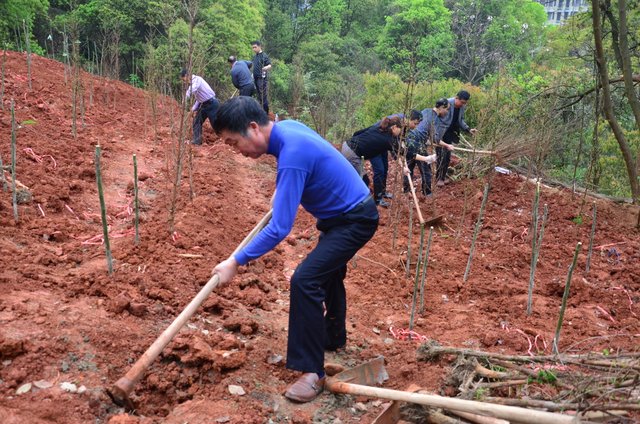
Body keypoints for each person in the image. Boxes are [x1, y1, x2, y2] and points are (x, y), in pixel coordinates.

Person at [211, 97, 379, 403]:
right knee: (328, 274)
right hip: (340, 216)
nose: (238, 151)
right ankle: (333, 337)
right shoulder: (287, 128)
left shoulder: (292, 154)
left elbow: (279, 228)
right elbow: (305, 166)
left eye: (234, 143)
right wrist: (283, 187)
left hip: (354, 220)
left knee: (305, 280)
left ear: (253, 127)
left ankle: (312, 372)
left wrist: (236, 261)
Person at [341, 116, 404, 207]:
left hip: (347, 145)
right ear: (394, 127)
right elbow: (403, 152)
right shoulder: (388, 140)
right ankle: (357, 204)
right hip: (352, 153)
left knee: (362, 178)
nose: (400, 132)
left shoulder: (378, 127)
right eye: (400, 129)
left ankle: (366, 200)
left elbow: (357, 133)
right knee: (363, 181)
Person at [368, 111, 423, 206]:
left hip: (383, 144)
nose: (415, 127)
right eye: (415, 123)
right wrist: (402, 165)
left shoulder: (405, 126)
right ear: (410, 119)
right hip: (373, 143)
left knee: (385, 168)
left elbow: (400, 143)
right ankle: (378, 198)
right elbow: (394, 148)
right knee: (379, 170)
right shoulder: (397, 123)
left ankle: (383, 192)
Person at [409, 98, 452, 195]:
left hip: (409, 139)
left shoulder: (425, 110)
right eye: (447, 109)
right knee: (426, 169)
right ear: (441, 107)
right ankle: (427, 192)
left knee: (409, 165)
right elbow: (435, 138)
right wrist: (447, 145)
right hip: (418, 143)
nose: (447, 112)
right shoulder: (435, 119)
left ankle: (406, 190)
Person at [436, 90, 477, 186]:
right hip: (441, 133)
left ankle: (442, 176)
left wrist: (468, 129)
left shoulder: (461, 107)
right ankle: (439, 178)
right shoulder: (446, 103)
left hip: (450, 133)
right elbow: (437, 117)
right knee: (441, 155)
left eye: (465, 103)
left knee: (447, 156)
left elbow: (460, 120)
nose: (463, 105)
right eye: (462, 102)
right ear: (456, 98)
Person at [180, 69, 220, 145]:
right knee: (196, 121)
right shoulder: (193, 84)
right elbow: (199, 100)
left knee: (215, 123)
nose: (184, 82)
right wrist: (192, 109)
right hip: (204, 105)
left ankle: (224, 138)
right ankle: (197, 141)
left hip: (212, 104)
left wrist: (184, 100)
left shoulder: (197, 80)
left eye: (183, 79)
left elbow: (192, 89)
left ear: (186, 75)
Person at [251, 41, 272, 113]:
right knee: (259, 96)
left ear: (259, 46)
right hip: (256, 78)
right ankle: (261, 111)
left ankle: (266, 113)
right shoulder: (255, 56)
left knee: (263, 96)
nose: (254, 49)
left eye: (255, 47)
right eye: (253, 48)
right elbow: (255, 67)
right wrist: (252, 74)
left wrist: (265, 68)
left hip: (262, 79)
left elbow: (269, 65)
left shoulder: (264, 55)